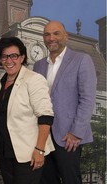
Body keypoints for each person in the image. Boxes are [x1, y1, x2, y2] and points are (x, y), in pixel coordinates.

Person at [33, 21, 97, 183]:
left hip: (68, 136)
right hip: (43, 135)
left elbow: (87, 99)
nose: (51, 38)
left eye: (56, 33)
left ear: (66, 36)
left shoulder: (82, 59)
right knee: (46, 179)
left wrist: (76, 132)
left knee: (71, 179)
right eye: (47, 34)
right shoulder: (38, 65)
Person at [0, 37, 54, 183]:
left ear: (22, 57)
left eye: (14, 56)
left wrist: (39, 150)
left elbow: (46, 116)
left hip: (28, 154)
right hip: (4, 151)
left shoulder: (34, 79)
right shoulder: (1, 80)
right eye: (4, 56)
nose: (9, 61)